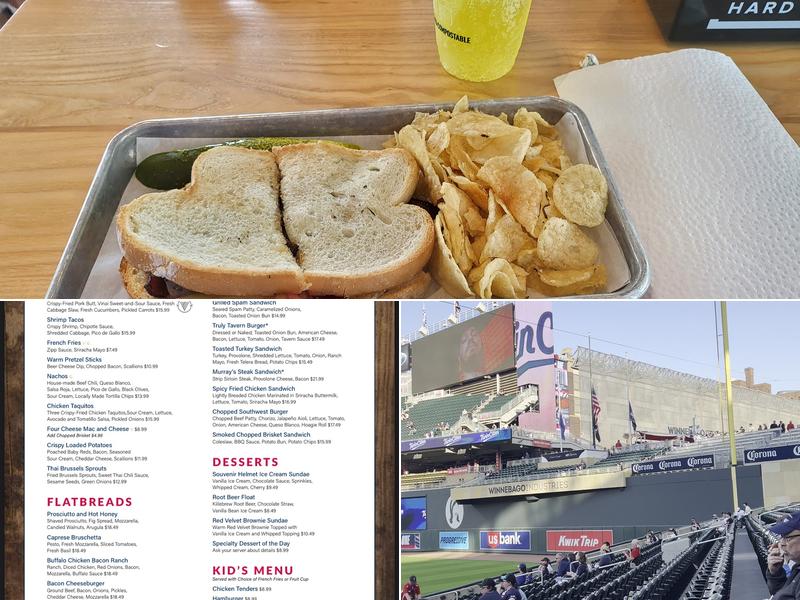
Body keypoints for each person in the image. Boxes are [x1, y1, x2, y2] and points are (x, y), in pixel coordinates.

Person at [766, 512, 800, 599]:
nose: (781, 543)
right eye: (781, 537)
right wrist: (776, 573)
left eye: (787, 538)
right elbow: (784, 594)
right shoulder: (797, 567)